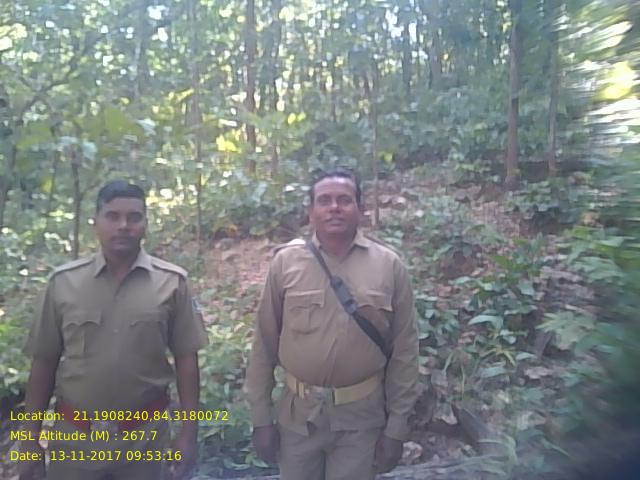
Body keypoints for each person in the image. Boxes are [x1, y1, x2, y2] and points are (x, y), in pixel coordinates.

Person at [18, 180, 209, 480]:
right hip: (75, 442)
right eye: (113, 216)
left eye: (134, 217)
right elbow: (43, 364)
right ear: (96, 222)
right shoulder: (64, 284)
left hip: (145, 442)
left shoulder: (172, 283)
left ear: (145, 224)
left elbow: (187, 364)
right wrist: (29, 439)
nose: (123, 226)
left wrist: (188, 434)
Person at [244, 168, 419, 479]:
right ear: (311, 211)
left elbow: (405, 352)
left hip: (361, 420)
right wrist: (260, 419)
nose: (334, 207)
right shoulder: (286, 263)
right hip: (298, 418)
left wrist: (396, 428)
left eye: (344, 200)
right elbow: (264, 345)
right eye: (324, 200)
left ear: (360, 208)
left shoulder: (389, 265)